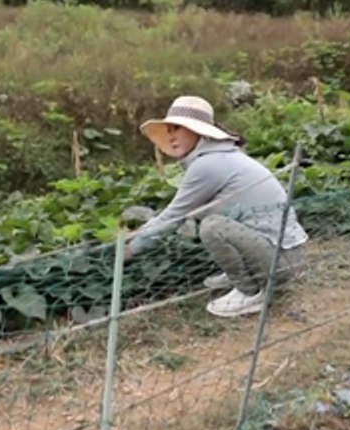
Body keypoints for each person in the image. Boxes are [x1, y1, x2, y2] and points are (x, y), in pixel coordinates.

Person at [125, 95, 309, 318]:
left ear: (199, 131)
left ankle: (249, 292)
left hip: (281, 261)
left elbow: (174, 216)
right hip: (287, 253)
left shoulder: (208, 164)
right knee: (211, 220)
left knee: (212, 227)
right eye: (169, 130)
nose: (172, 136)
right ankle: (246, 273)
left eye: (178, 128)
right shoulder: (220, 155)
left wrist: (130, 248)